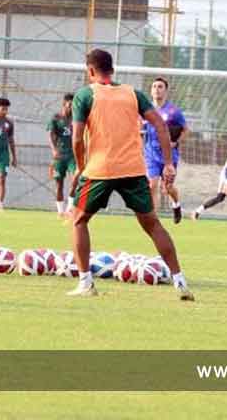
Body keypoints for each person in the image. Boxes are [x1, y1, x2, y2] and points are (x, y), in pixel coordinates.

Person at [66, 49, 194, 300]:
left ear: (90, 71)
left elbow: (77, 138)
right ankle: (180, 282)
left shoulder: (84, 94)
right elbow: (159, 124)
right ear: (112, 69)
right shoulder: (133, 93)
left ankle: (85, 283)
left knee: (79, 220)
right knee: (153, 224)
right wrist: (168, 163)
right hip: (134, 170)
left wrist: (81, 167)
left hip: (99, 170)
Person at [142, 77, 188, 224]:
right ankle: (153, 220)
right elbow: (140, 128)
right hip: (151, 153)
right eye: (154, 86)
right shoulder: (145, 109)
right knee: (152, 185)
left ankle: (176, 205)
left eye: (160, 86)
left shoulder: (174, 111)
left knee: (167, 188)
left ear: (166, 91)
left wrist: (175, 142)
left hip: (169, 155)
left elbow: (186, 130)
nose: (157, 89)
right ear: (151, 90)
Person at [47, 93, 76, 217]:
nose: (71, 107)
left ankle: (70, 209)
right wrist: (54, 150)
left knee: (75, 180)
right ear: (64, 104)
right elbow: (50, 135)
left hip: (73, 155)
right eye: (70, 105)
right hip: (59, 156)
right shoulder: (55, 118)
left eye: (73, 105)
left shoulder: (77, 118)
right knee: (59, 184)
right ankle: (60, 211)